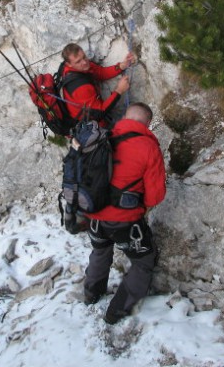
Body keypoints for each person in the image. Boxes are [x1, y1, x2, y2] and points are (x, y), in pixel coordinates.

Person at [82, 102, 167, 324]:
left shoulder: (100, 138)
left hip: (94, 215)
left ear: (125, 117)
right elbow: (155, 196)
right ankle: (116, 311)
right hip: (125, 222)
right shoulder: (149, 147)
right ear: (147, 123)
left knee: (100, 251)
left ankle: (91, 293)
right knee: (143, 262)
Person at [60, 43, 135, 126]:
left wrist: (121, 66)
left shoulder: (81, 67)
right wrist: (119, 90)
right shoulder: (80, 87)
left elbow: (101, 73)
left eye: (84, 57)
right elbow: (99, 113)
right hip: (88, 126)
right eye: (78, 61)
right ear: (69, 64)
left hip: (92, 113)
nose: (84, 62)